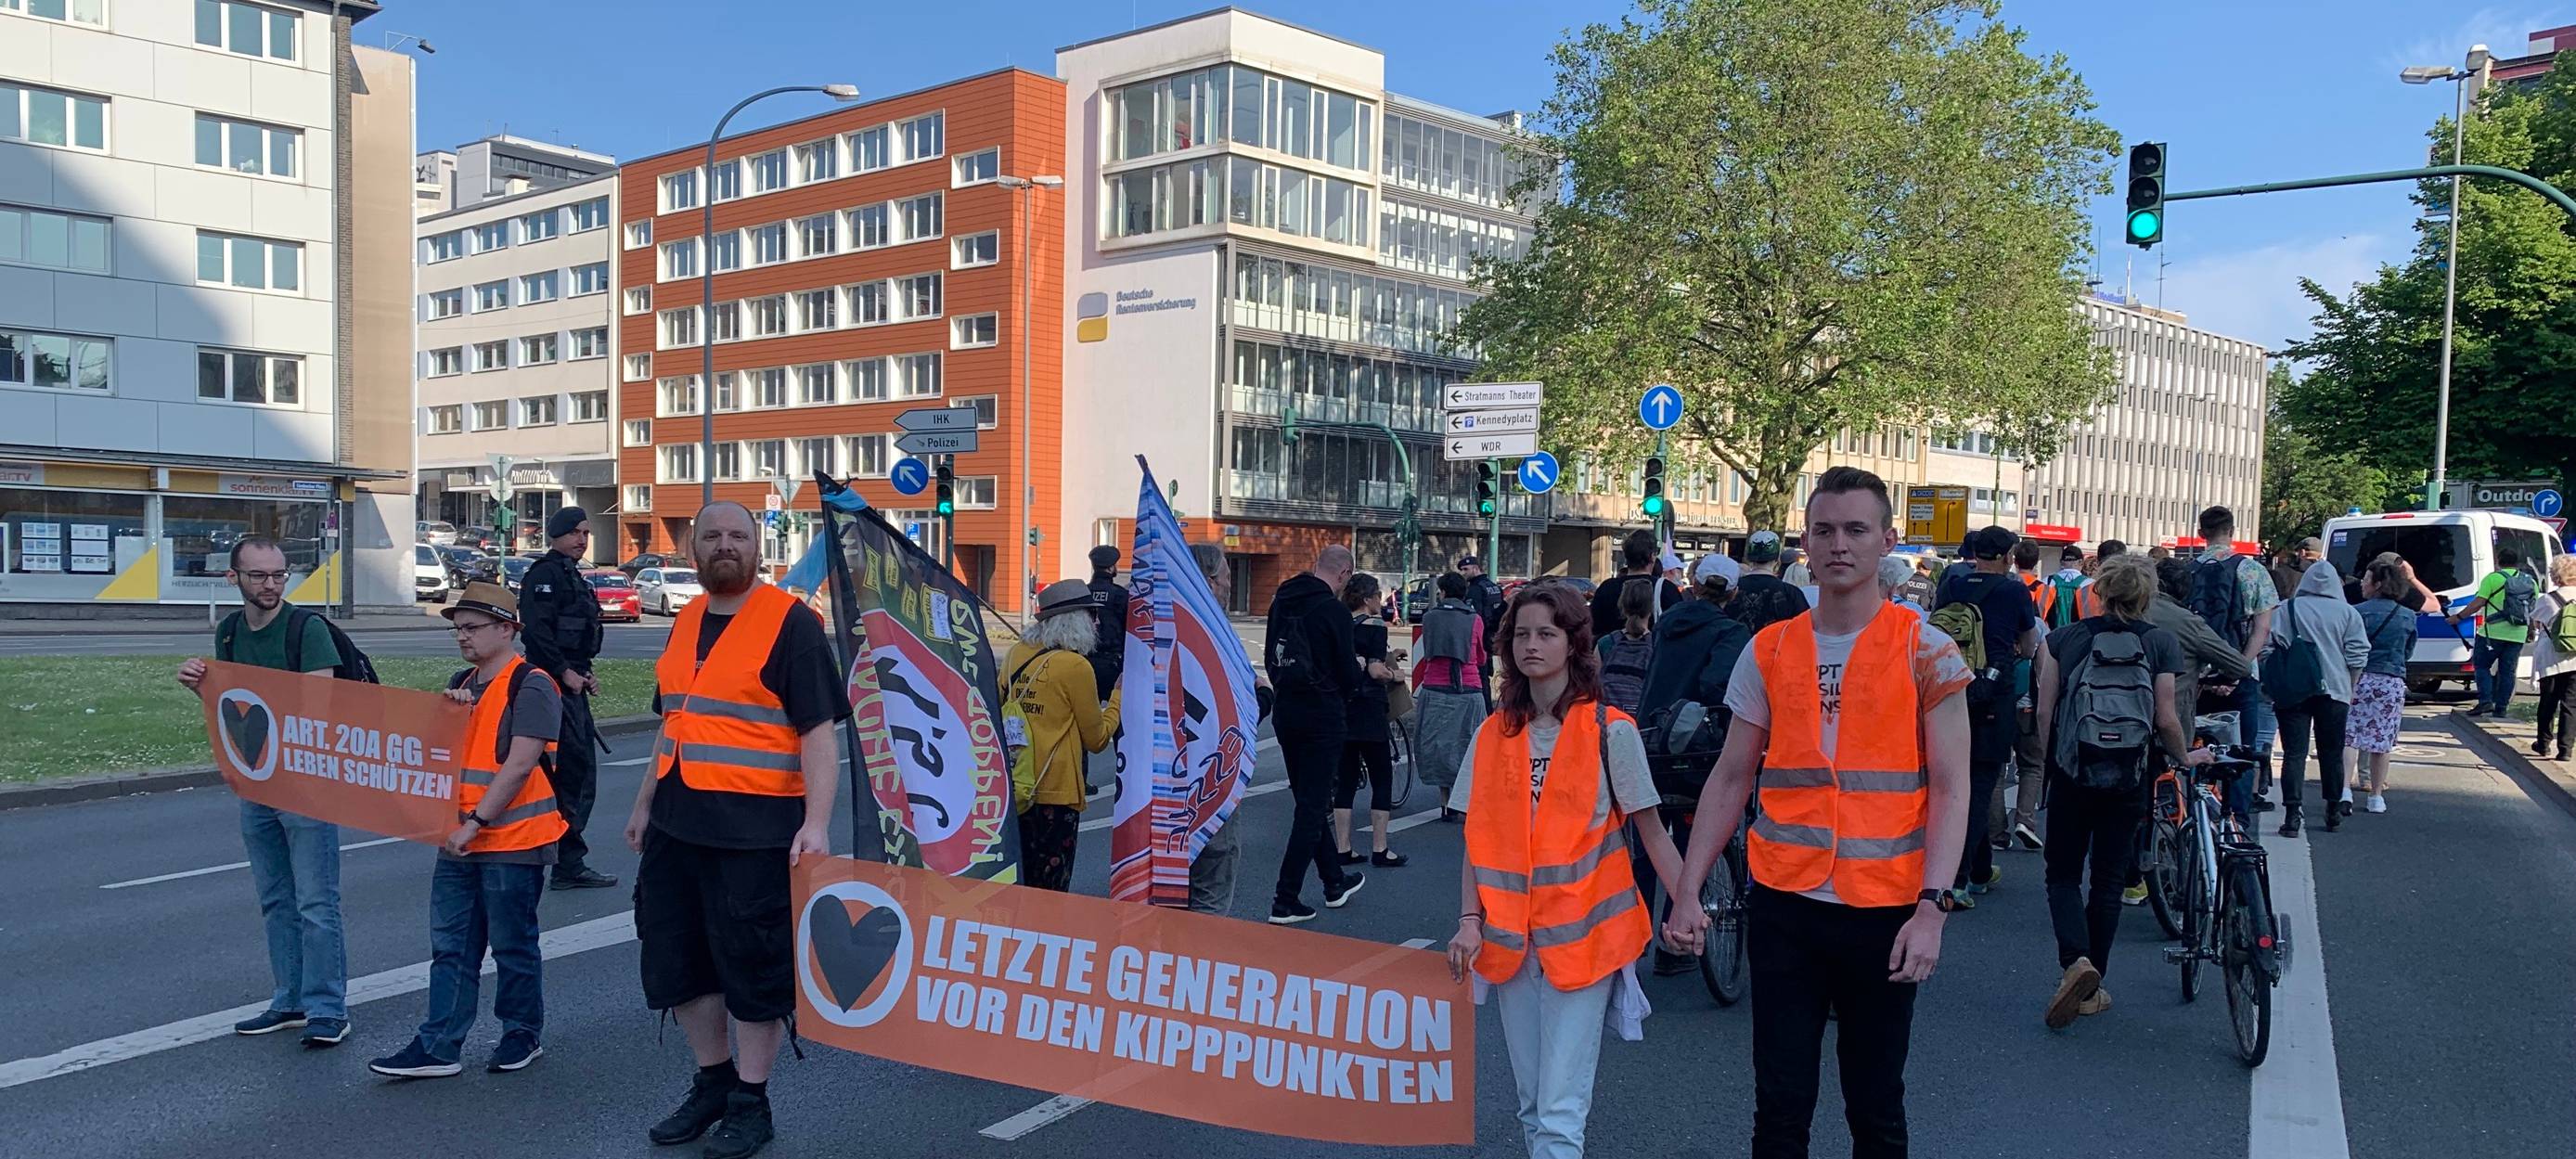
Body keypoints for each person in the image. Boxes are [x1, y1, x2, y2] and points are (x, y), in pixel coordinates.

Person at [1666, 467, 1973, 1159]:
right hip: (1787, 904)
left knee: (1875, 1107)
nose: (1840, 544)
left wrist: (1933, 909)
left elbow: (1954, 789)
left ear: (1886, 540)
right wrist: (1688, 887)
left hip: (1886, 908)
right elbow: (1731, 776)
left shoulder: (1926, 650)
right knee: (1779, 1108)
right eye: (1826, 529)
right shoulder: (1770, 648)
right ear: (1805, 540)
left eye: (1857, 529)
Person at [625, 501, 848, 1159]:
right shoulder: (687, 619)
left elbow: (818, 733)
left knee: (752, 966)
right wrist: (643, 803)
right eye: (713, 535)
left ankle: (752, 1101)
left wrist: (817, 823)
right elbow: (674, 721)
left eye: (739, 535)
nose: (726, 545)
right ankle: (714, 1083)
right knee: (678, 961)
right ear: (694, 547)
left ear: (759, 546)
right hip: (676, 821)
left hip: (756, 830)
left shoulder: (791, 625)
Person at [1445, 583, 1687, 1159]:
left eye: (1547, 634)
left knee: (1558, 1111)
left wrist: (1688, 903)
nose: (1532, 645)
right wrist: (1467, 919)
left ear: (1573, 644)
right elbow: (1478, 841)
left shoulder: (1611, 731)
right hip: (1509, 942)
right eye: (1522, 634)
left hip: (1585, 944)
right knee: (1532, 1103)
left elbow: (1652, 829)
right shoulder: (1493, 734)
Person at [367, 582, 568, 1078]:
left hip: (511, 840)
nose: (463, 637)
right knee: (452, 946)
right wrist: (447, 717)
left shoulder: (533, 683)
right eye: (458, 629)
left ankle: (521, 1035)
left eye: (473, 628)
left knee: (512, 944)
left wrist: (476, 822)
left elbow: (520, 764)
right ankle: (438, 1045)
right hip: (459, 839)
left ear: (507, 629)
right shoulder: (464, 682)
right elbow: (441, 759)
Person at [176, 536, 351, 1050]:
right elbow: (233, 708)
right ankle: (289, 1000)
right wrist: (199, 685)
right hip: (257, 782)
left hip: (306, 785)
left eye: (279, 575)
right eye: (259, 576)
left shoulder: (307, 628)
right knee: (276, 898)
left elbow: (319, 712)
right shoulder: (229, 631)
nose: (271, 584)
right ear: (235, 579)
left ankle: (328, 1009)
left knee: (317, 901)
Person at [2032, 557, 2204, 1028]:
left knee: (2062, 875)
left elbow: (2045, 712)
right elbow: (2166, 717)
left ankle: (2075, 962)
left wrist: (2055, 762)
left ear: (2100, 592)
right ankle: (2095, 983)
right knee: (2108, 880)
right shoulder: (2159, 643)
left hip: (2073, 772)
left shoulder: (2064, 639)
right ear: (2146, 595)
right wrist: (2184, 757)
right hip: (2131, 775)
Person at [1932, 526, 2041, 908]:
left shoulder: (1953, 584)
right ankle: (1958, 879)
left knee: (1955, 778)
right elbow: (2028, 645)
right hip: (1995, 692)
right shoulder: (2014, 591)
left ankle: (1980, 868)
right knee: (1979, 783)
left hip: (1951, 688)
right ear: (2008, 555)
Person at [1264, 545, 1368, 924]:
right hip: (1322, 715)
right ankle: (1285, 898)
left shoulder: (1282, 601)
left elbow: (1272, 656)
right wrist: (1356, 669)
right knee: (1312, 806)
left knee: (1307, 797)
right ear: (1343, 575)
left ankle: (1334, 882)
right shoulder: (1334, 611)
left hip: (1287, 711)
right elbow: (1346, 673)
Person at [516, 506, 616, 891]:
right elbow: (537, 633)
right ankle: (566, 862)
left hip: (568, 684)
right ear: (556, 534)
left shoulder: (571, 575)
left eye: (586, 533)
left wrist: (582, 672)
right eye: (575, 532)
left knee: (577, 776)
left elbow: (576, 632)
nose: (582, 539)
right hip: (552, 687)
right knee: (571, 775)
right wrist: (564, 672)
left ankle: (566, 859)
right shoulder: (544, 575)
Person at [1007, 580, 1125, 891]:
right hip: (1056, 795)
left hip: (1015, 786)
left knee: (1019, 885)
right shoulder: (1075, 666)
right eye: (1092, 615)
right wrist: (1117, 700)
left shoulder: (1016, 654)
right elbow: (1096, 739)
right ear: (1075, 619)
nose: (1097, 622)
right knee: (1051, 892)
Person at [1186, 541, 1266, 914]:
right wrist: (1262, 698)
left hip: (1160, 785)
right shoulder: (1213, 637)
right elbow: (1231, 712)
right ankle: (1196, 967)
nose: (1229, 587)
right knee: (1210, 888)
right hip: (1210, 781)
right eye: (1224, 579)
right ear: (1207, 580)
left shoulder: (1156, 628)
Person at [2189, 506, 2280, 817]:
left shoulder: (2187, 571)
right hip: (2240, 678)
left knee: (2190, 748)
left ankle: (2192, 817)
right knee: (2241, 751)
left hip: (2194, 679)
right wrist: (2237, 670)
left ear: (2201, 533)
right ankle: (2236, 826)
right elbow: (2262, 628)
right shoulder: (2252, 570)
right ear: (2232, 531)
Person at [2269, 560, 2371, 837]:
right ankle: (2333, 811)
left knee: (2294, 753)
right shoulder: (2348, 614)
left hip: (2293, 691)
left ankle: (2291, 814)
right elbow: (2358, 653)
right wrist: (2349, 683)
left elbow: (2269, 646)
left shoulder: (2286, 609)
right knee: (2331, 752)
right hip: (2335, 691)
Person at [1334, 573, 1408, 869]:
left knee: (1347, 780)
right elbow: (1376, 671)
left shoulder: (1340, 624)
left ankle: (1344, 847)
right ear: (1367, 599)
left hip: (1344, 708)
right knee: (1382, 778)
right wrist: (1396, 675)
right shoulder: (1376, 626)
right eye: (1378, 595)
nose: (1381, 600)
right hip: (1369, 709)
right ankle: (1380, 848)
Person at [1638, 554, 1752, 727]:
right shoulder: (1732, 632)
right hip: (1689, 736)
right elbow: (1715, 686)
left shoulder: (1667, 620)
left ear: (1696, 586)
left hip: (1649, 725)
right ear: (1733, 593)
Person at [1413, 572, 1491, 816]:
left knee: (1438, 746)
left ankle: (1446, 801)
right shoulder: (1474, 620)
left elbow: (1428, 651)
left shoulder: (1430, 618)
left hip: (1435, 687)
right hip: (1468, 690)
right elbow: (1479, 656)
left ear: (1443, 592)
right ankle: (1464, 799)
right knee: (1468, 745)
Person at [2351, 558, 2425, 812]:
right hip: (2391, 681)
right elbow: (2408, 652)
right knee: (2382, 743)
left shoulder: (2357, 612)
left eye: (2366, 580)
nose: (2362, 584)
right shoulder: (2406, 616)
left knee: (2350, 738)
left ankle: (2342, 793)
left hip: (2358, 678)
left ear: (2378, 584)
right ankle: (2376, 796)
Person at [2453, 547, 2537, 717]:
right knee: (2508, 671)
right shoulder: (2530, 581)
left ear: (2498, 561)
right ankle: (2501, 708)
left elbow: (2478, 603)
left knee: (2482, 666)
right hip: (2517, 633)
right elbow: (2532, 608)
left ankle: (2485, 702)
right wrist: (2531, 630)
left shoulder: (2493, 579)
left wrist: (2459, 617)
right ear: (2516, 563)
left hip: (2492, 633)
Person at [1591, 528, 1683, 639]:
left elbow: (1595, 628)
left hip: (1612, 654)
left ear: (1626, 556)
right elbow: (1678, 629)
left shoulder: (1607, 588)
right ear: (1652, 556)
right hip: (1653, 654)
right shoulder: (1666, 589)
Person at [2531, 554, 2576, 763]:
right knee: (2571, 704)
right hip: (2575, 657)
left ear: (2555, 576)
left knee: (2548, 701)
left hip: (2551, 657)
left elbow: (2537, 623)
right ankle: (2566, 750)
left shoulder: (2547, 599)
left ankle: (2543, 744)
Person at [1731, 530, 1811, 636]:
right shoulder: (1792, 593)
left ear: (1749, 557)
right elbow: (1805, 630)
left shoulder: (1731, 589)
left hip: (1735, 650)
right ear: (1778, 559)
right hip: (1777, 650)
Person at [1598, 575, 1658, 713]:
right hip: (1641, 725)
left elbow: (1591, 686)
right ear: (1651, 607)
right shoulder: (1657, 646)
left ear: (1622, 606)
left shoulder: (1606, 643)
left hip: (1608, 720)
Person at [1085, 545, 1129, 702]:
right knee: (1115, 709)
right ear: (1111, 568)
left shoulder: (1083, 592)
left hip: (1085, 662)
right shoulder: (1121, 595)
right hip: (1114, 664)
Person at [1460, 554, 1508, 662]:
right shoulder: (1495, 587)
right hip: (1492, 635)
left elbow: (1474, 616)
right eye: (1462, 570)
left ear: (1476, 569)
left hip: (1481, 637)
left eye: (1466, 569)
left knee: (1480, 672)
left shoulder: (1475, 589)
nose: (1463, 573)